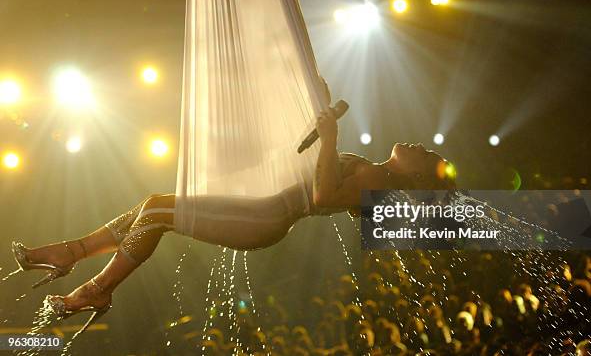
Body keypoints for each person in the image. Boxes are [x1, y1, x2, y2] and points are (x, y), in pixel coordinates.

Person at [11, 106, 454, 333]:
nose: (420, 144)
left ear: (414, 174)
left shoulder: (379, 177)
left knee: (160, 211)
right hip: (262, 212)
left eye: (427, 154)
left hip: (264, 219)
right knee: (155, 203)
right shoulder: (374, 170)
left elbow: (321, 193)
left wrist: (331, 137)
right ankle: (72, 254)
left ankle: (96, 290)